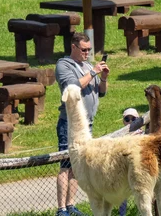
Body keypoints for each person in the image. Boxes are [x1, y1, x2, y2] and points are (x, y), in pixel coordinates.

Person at [54, 33, 110, 216]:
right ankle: (61, 209)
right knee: (65, 163)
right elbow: (73, 87)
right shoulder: (64, 65)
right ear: (74, 47)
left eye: (89, 50)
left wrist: (103, 78)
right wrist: (93, 72)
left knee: (78, 166)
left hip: (87, 125)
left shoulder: (87, 66)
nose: (87, 53)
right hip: (69, 125)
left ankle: (71, 205)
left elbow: (101, 93)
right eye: (84, 50)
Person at [117, 108, 142, 216]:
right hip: (124, 168)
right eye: (127, 119)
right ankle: (121, 213)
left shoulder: (142, 134)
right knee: (123, 192)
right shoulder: (120, 135)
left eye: (134, 119)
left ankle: (141, 211)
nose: (130, 122)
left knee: (140, 191)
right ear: (123, 121)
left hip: (138, 167)